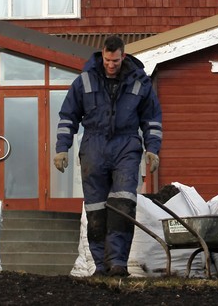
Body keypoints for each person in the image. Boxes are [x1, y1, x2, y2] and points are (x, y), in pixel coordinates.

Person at [54, 35, 162, 277]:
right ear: (101, 54)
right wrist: (62, 147)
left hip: (126, 145)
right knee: (96, 209)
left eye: (115, 60)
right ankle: (101, 267)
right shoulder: (84, 81)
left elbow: (152, 120)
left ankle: (118, 264)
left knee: (122, 205)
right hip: (93, 145)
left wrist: (153, 149)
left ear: (123, 56)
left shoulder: (140, 82)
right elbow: (68, 116)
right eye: (106, 59)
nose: (110, 65)